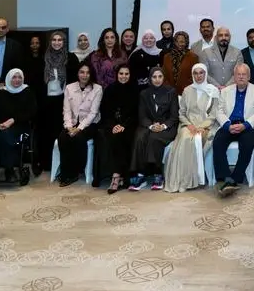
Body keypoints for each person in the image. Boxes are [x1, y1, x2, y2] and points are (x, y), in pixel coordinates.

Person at [163, 63, 219, 192]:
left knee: (194, 139)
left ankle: (192, 180)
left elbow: (214, 114)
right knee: (185, 138)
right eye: (195, 73)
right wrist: (189, 125)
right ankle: (181, 180)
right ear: (192, 75)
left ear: (205, 74)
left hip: (206, 126)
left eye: (201, 73)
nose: (198, 76)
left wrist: (201, 127)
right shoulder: (187, 90)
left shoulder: (213, 91)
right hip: (187, 125)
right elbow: (181, 113)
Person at [213, 64, 254, 197]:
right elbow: (219, 111)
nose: (241, 77)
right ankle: (225, 177)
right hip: (229, 124)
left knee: (247, 144)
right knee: (218, 142)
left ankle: (235, 178)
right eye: (238, 74)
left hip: (248, 126)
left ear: (249, 76)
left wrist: (246, 125)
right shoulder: (225, 91)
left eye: (244, 74)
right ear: (234, 77)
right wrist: (227, 125)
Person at [129, 66, 179, 191]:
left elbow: (174, 116)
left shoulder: (171, 92)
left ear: (164, 77)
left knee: (154, 138)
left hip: (168, 127)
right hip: (149, 125)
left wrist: (162, 126)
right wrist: (151, 126)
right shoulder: (144, 94)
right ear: (150, 78)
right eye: (154, 77)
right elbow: (142, 115)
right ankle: (140, 174)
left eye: (160, 76)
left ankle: (158, 173)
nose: (157, 79)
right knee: (139, 137)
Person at [0, 69, 37, 183]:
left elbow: (31, 112)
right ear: (8, 78)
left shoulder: (27, 92)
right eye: (14, 77)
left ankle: (10, 169)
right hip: (1, 124)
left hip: (19, 124)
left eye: (19, 77)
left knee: (6, 134)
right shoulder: (0, 93)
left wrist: (13, 120)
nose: (17, 80)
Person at [39, 31, 80, 172]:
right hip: (46, 102)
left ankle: (64, 164)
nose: (57, 42)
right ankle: (47, 164)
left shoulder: (71, 58)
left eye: (60, 40)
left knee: (62, 133)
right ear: (50, 42)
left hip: (64, 101)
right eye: (54, 40)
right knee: (46, 134)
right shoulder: (43, 58)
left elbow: (76, 81)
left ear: (64, 42)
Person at [56, 63, 102, 187]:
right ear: (77, 73)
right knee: (63, 137)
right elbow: (66, 110)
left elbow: (93, 113)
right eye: (82, 72)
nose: (84, 75)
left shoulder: (97, 89)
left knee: (78, 138)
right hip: (72, 122)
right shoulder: (69, 88)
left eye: (87, 73)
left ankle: (75, 171)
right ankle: (66, 171)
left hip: (90, 124)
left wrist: (79, 128)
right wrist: (68, 126)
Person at [95, 63, 139, 193]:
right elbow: (105, 111)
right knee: (112, 137)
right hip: (111, 124)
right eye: (121, 73)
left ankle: (117, 175)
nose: (123, 76)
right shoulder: (110, 89)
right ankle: (118, 175)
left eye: (126, 74)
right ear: (117, 75)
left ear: (130, 75)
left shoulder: (135, 90)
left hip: (129, 125)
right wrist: (114, 125)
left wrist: (124, 125)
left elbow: (136, 113)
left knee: (124, 136)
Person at [162, 31, 198, 95]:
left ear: (186, 42)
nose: (179, 44)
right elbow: (164, 74)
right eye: (177, 41)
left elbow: (195, 75)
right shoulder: (167, 57)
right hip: (169, 92)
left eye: (182, 42)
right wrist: (168, 88)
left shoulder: (193, 57)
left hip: (187, 92)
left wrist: (187, 88)